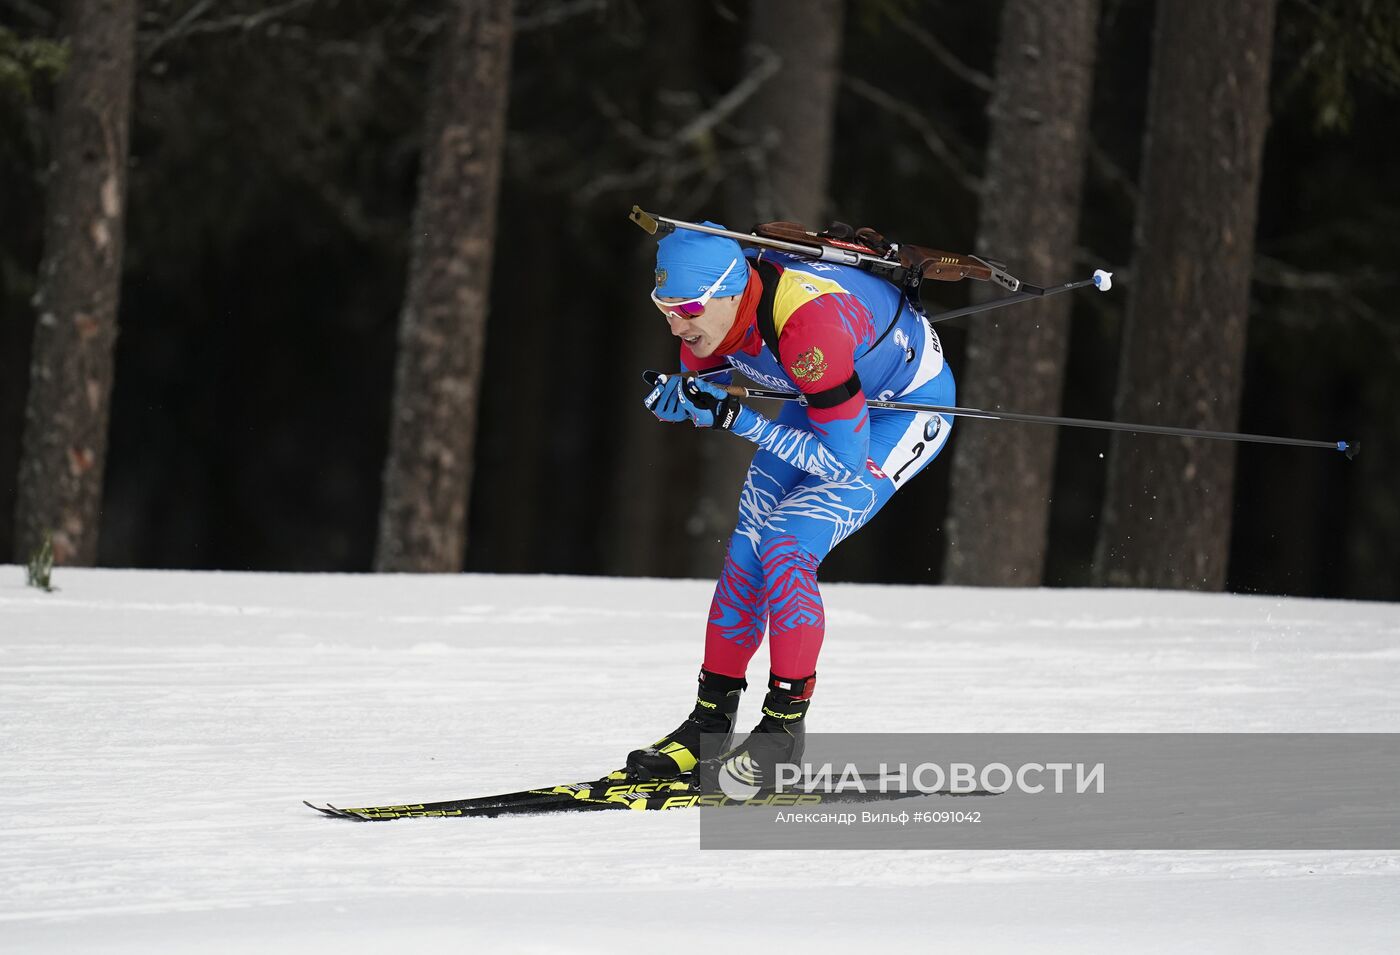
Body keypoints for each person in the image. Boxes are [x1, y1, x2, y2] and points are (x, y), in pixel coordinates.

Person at [626, 221, 956, 787]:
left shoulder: (807, 329)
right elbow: (707, 388)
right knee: (748, 546)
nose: (675, 324)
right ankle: (708, 725)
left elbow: (841, 464)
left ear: (730, 292)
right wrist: (684, 400)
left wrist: (733, 416)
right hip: (827, 399)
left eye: (687, 309)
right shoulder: (707, 318)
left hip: (899, 410)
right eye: (664, 306)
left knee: (786, 542)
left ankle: (781, 733)